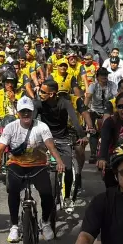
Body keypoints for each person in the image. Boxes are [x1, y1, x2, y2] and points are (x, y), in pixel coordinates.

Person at [0, 97, 64, 242]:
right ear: (18, 112)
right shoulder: (10, 127)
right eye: (23, 111)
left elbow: (51, 146)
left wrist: (59, 161)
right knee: (13, 191)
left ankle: (45, 222)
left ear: (33, 112)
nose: (26, 114)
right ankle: (14, 226)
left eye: (28, 111)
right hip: (16, 165)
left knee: (47, 194)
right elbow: (0, 149)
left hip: (38, 165)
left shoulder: (41, 127)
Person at [36, 80, 87, 211]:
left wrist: (82, 135)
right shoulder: (38, 104)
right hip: (45, 139)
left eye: (43, 92)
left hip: (63, 139)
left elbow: (75, 121)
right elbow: (32, 121)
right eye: (40, 90)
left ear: (52, 94)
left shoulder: (65, 103)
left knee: (68, 168)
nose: (40, 93)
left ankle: (67, 197)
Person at [84, 68, 116, 163]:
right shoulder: (93, 86)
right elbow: (88, 98)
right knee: (93, 131)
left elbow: (117, 96)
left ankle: (110, 151)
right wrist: (84, 111)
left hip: (109, 111)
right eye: (102, 75)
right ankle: (93, 154)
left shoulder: (112, 85)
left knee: (110, 130)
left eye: (106, 74)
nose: (104, 76)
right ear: (97, 77)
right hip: (95, 111)